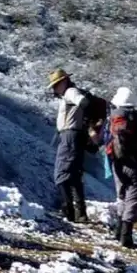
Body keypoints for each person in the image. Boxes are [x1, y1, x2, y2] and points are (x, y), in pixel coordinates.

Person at [107, 87, 137, 248]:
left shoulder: (113, 116)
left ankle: (118, 231)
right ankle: (126, 236)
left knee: (122, 195)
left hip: (118, 162)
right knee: (133, 198)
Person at [48, 68, 89, 223]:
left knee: (60, 174)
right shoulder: (69, 93)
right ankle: (81, 213)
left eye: (56, 84)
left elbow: (83, 102)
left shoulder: (70, 92)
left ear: (64, 81)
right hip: (75, 136)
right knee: (75, 175)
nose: (54, 88)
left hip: (69, 136)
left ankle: (68, 212)